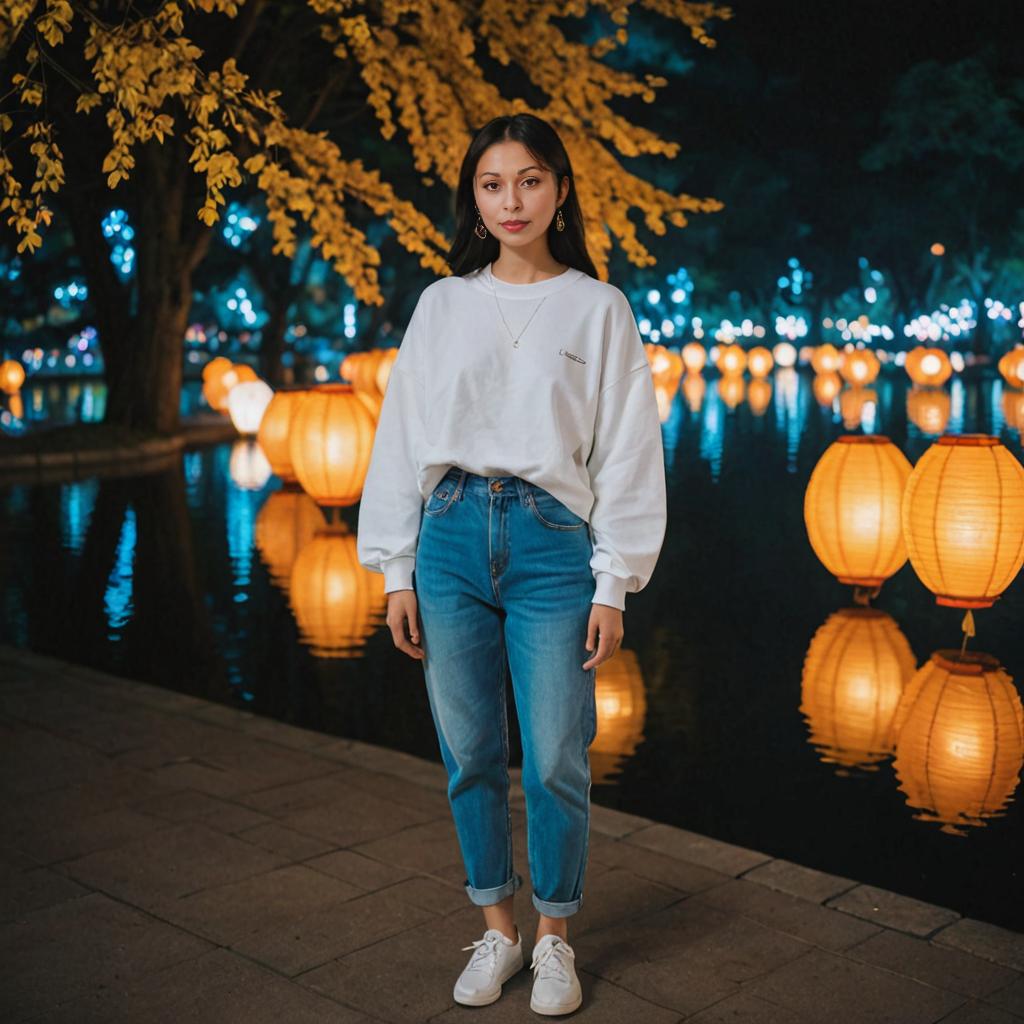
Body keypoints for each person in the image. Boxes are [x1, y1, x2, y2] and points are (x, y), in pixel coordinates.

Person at [357, 113, 666, 1016]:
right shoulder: (443, 304)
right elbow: (401, 436)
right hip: (449, 532)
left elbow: (629, 452)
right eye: (493, 185)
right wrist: (394, 570)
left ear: (560, 189)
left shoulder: (599, 308)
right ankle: (498, 928)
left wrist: (616, 580)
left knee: (559, 753)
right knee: (469, 751)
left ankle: (557, 939)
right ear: (474, 200)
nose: (512, 201)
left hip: (552, 546)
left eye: (529, 180)